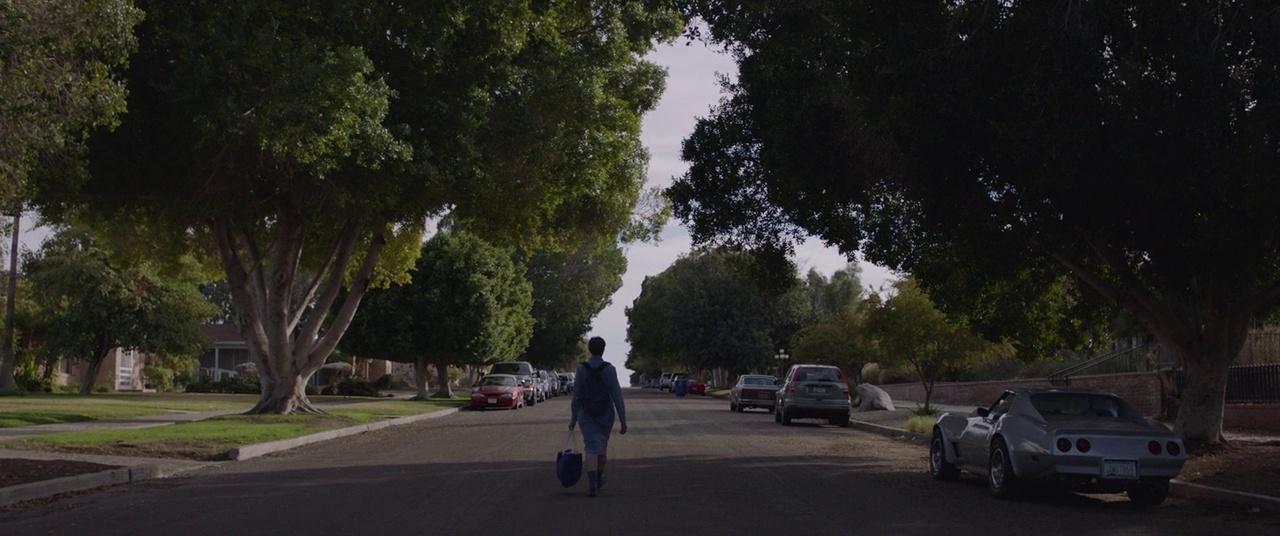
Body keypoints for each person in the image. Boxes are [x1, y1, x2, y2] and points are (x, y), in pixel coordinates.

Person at [569, 336, 627, 497]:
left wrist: (573, 418)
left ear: (589, 349)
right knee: (601, 446)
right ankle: (599, 477)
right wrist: (623, 420)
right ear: (603, 349)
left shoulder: (581, 369)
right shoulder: (609, 369)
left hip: (585, 414)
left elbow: (577, 396)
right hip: (605, 414)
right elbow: (617, 396)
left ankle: (592, 483)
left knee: (591, 447)